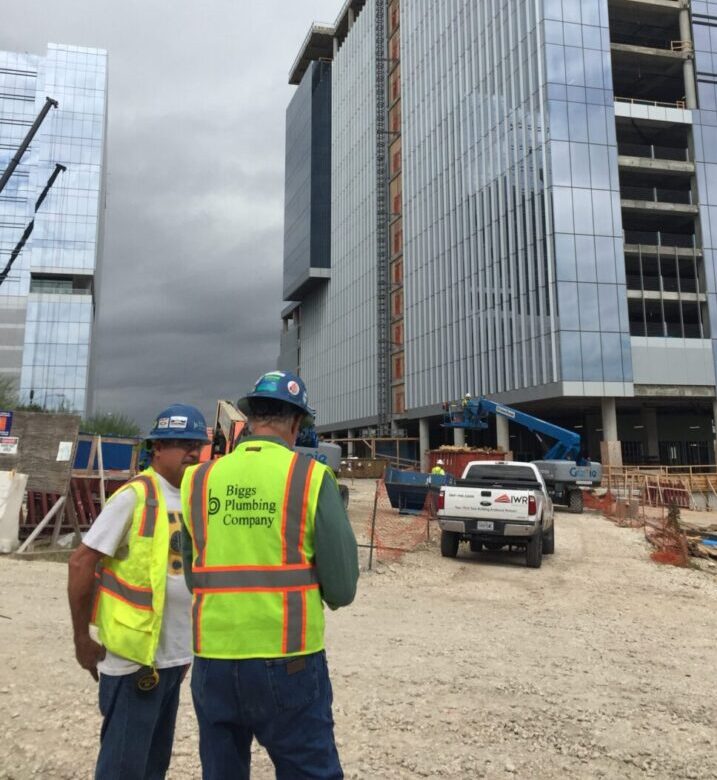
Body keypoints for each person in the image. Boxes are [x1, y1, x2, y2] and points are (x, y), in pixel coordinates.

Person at [180, 371, 359, 780]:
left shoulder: (199, 479)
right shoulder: (312, 478)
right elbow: (343, 587)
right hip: (289, 659)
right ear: (297, 424)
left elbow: (195, 576)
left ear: (251, 418)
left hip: (214, 660)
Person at [67, 404, 210, 780]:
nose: (192, 452)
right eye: (179, 443)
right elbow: (81, 563)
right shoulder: (136, 495)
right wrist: (82, 638)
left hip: (172, 660)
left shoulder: (193, 499)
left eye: (197, 444)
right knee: (123, 768)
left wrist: (183, 653)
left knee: (153, 767)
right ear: (156, 449)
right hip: (133, 661)